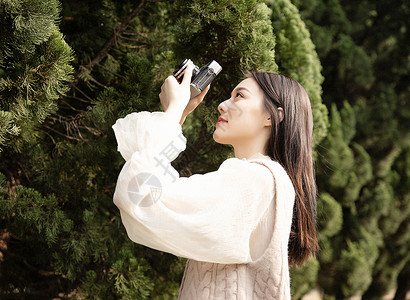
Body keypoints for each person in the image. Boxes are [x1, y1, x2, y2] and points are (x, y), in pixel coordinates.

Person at [112, 63, 318, 299]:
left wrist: (174, 111)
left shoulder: (257, 179)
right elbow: (147, 189)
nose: (221, 105)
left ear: (272, 116)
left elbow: (140, 196)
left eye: (239, 96)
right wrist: (176, 117)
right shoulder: (261, 180)